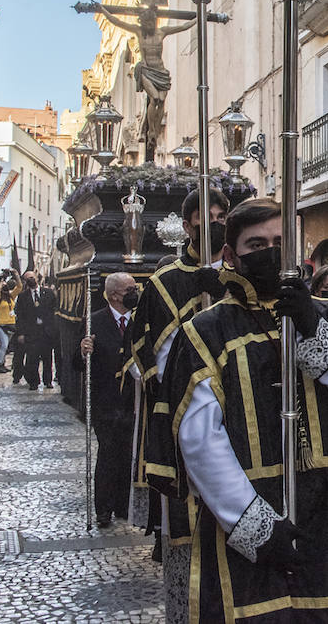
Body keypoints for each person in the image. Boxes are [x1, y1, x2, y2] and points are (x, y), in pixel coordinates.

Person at [147, 198, 328, 621]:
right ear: (230, 255)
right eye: (256, 244)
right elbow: (201, 440)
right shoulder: (206, 332)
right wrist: (251, 524)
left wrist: (312, 328)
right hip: (248, 515)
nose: (270, 252)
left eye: (280, 242)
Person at [124, 186, 229, 622]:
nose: (217, 222)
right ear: (187, 225)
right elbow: (141, 347)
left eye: (223, 214)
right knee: (186, 530)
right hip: (183, 420)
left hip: (240, 417)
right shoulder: (165, 282)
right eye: (208, 216)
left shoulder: (243, 277)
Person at [80, 272, 139, 527]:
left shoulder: (138, 320)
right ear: (115, 294)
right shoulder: (94, 322)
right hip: (105, 402)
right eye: (130, 289)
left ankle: (123, 504)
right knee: (107, 454)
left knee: (128, 453)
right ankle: (103, 508)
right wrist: (83, 352)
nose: (135, 292)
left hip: (131, 401)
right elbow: (75, 363)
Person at [15, 271, 53, 391]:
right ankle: (34, 382)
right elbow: (20, 316)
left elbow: (53, 311)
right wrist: (21, 333)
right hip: (31, 332)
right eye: (28, 279)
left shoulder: (48, 293)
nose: (31, 280)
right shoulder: (23, 296)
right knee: (32, 358)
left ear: (36, 278)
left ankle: (48, 380)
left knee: (47, 358)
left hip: (46, 331)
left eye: (32, 277)